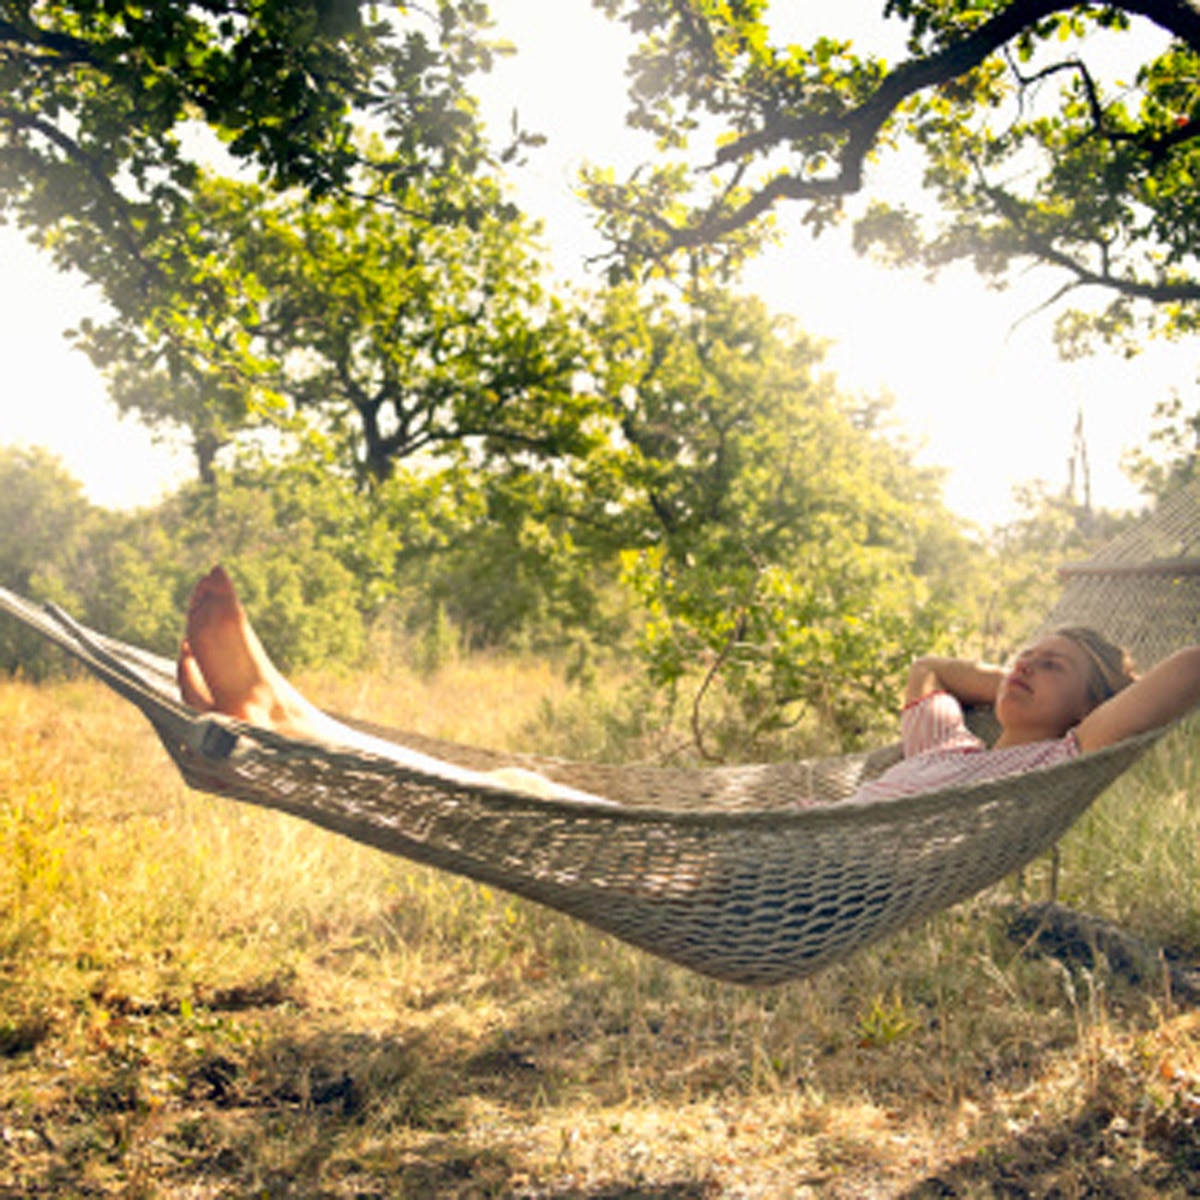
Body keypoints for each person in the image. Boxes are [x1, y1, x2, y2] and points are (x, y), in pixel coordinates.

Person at [177, 566, 1200, 806]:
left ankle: (290, 723)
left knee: (527, 798)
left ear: (1089, 709)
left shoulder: (1059, 760)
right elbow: (928, 670)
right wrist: (1003, 673)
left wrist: (1080, 692)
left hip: (790, 886)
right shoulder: (950, 750)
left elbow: (1184, 676)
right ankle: (292, 721)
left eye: (1050, 666)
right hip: (776, 863)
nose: (1023, 664)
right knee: (529, 785)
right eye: (1023, 652)